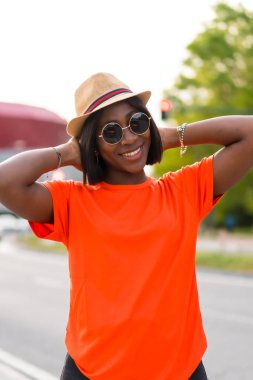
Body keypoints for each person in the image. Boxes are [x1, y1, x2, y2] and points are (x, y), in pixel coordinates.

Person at [0, 72, 252, 380]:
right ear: (91, 144)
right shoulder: (72, 202)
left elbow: (249, 133)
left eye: (137, 123)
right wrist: (65, 153)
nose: (130, 138)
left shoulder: (182, 191)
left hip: (180, 372)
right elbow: (5, 183)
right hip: (93, 372)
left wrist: (172, 136)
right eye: (110, 132)